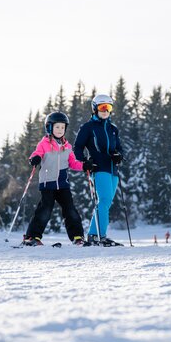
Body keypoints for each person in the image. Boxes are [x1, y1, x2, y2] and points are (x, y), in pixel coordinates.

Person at [22, 111, 88, 247]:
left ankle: (77, 237)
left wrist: (84, 166)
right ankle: (32, 237)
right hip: (48, 183)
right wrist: (35, 158)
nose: (60, 130)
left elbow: (73, 163)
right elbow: (37, 153)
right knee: (45, 209)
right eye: (57, 127)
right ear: (49, 127)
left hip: (63, 184)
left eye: (62, 127)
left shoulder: (67, 147)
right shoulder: (44, 144)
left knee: (70, 210)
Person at [72, 93, 124, 246]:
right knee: (104, 200)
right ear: (95, 109)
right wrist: (84, 162)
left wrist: (118, 156)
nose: (105, 111)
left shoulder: (113, 129)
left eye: (108, 107)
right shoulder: (88, 127)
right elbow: (78, 147)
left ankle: (94, 235)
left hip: (113, 169)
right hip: (98, 167)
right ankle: (101, 236)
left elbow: (120, 148)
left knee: (105, 203)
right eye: (102, 107)